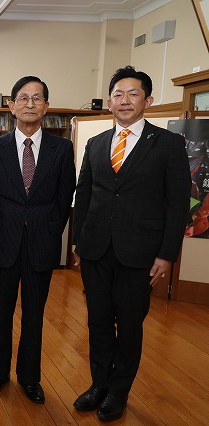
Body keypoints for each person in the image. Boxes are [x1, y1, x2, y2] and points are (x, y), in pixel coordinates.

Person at [72, 66, 190, 421]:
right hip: (95, 250)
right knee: (98, 321)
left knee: (130, 324)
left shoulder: (169, 144)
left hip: (140, 253)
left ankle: (118, 392)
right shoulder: (95, 143)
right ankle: (98, 385)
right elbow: (85, 194)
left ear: (148, 101)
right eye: (118, 94)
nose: (125, 100)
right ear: (109, 102)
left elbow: (179, 202)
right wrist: (77, 243)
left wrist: (167, 254)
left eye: (133, 94)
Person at [0, 76, 76, 404]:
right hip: (3, 244)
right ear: (11, 106)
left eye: (37, 98)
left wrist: (51, 231)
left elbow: (65, 199)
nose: (30, 104)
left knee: (34, 315)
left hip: (41, 244)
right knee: (1, 313)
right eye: (23, 98)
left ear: (46, 107)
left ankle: (30, 378)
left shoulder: (62, 148)